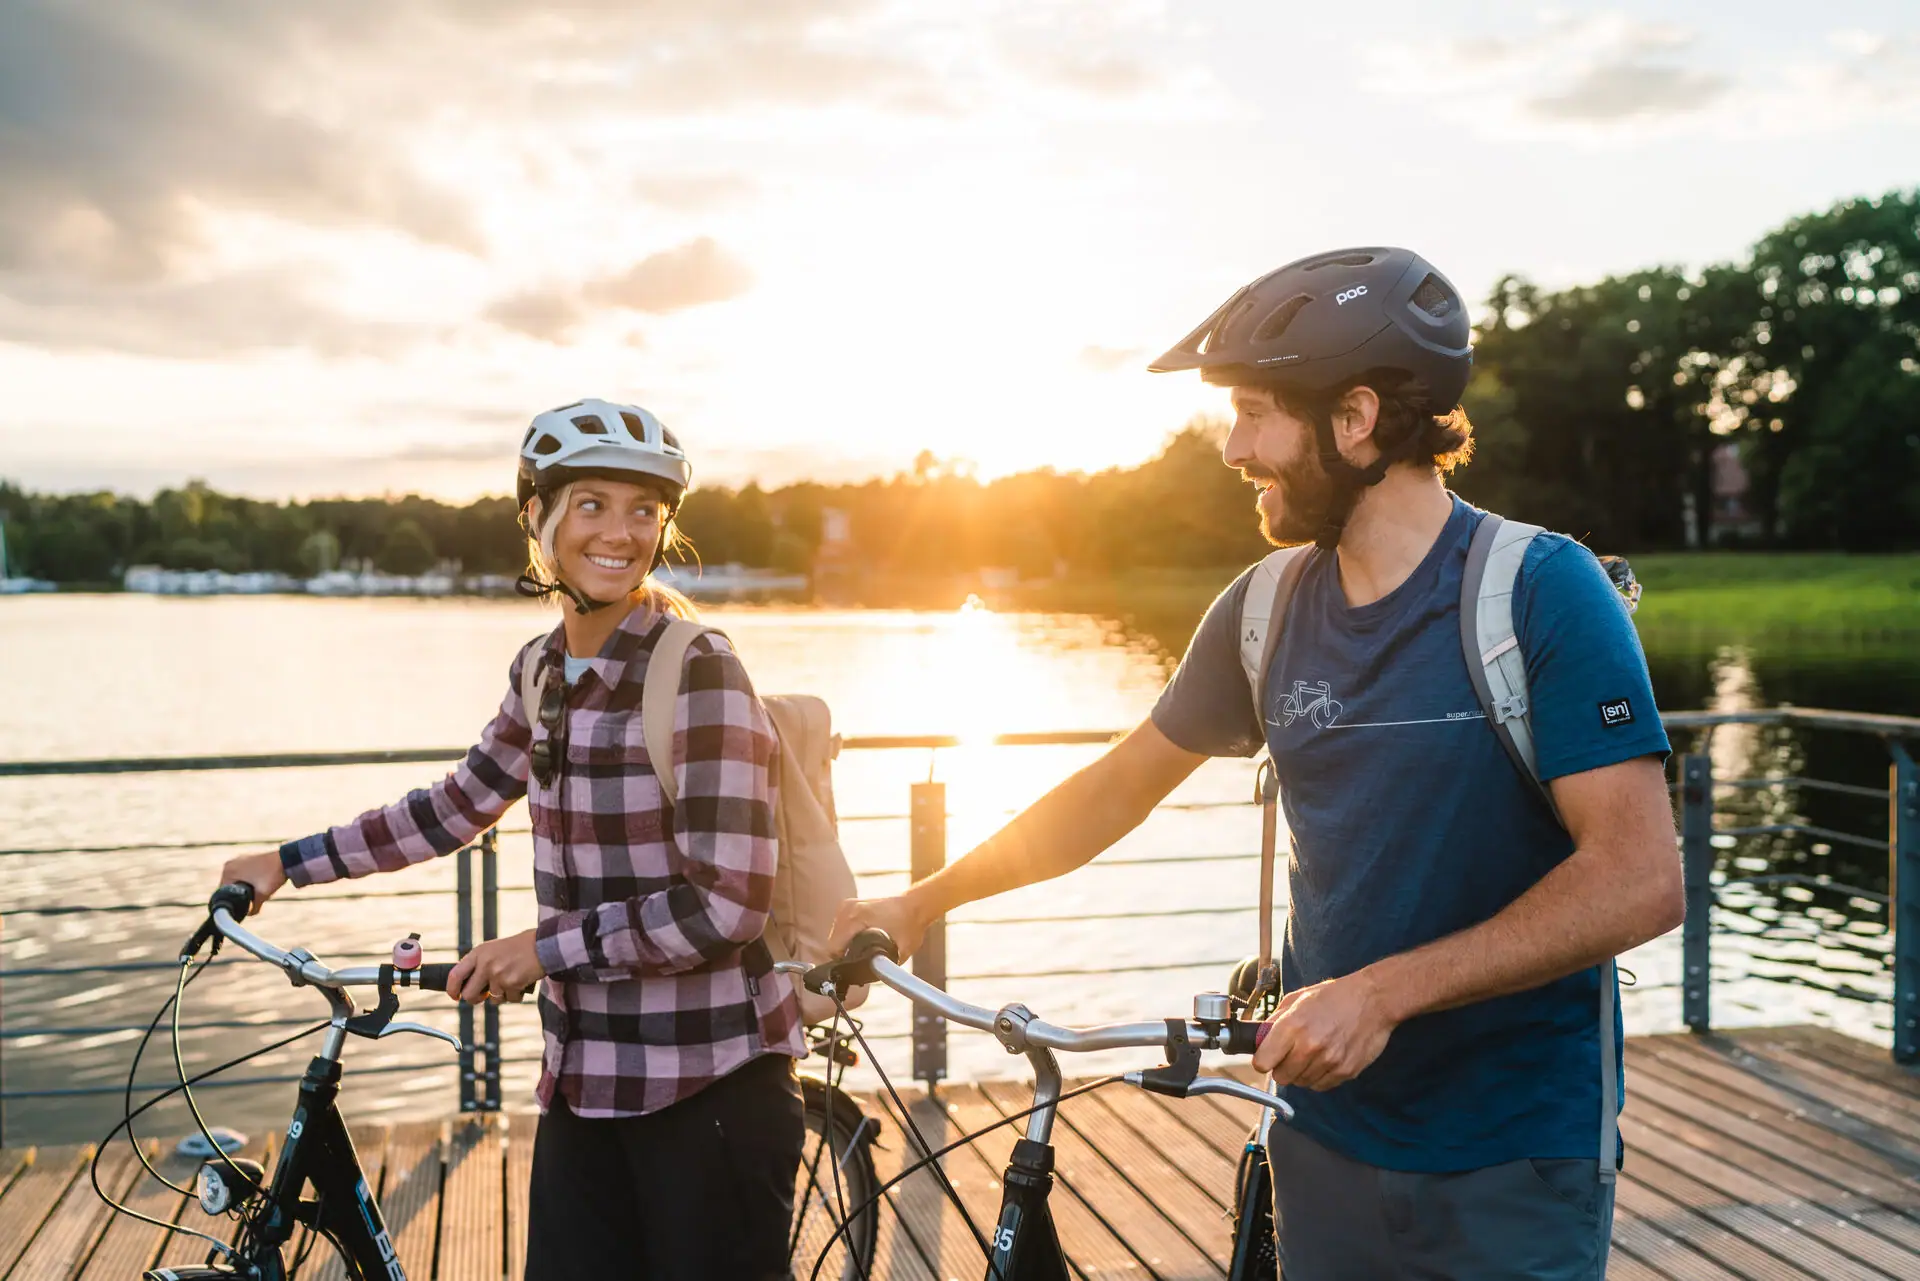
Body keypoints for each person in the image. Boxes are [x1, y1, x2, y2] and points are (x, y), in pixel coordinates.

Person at [830, 248, 1684, 1279]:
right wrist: (927, 898)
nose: (1233, 449)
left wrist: (1382, 993)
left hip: (1511, 1156)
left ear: (1356, 417)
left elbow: (1639, 878)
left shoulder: (1541, 592)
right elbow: (1115, 788)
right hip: (1317, 1130)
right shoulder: (1265, 608)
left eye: (1252, 413)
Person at [218, 398, 805, 1281]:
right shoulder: (541, 671)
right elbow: (453, 806)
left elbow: (728, 903)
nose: (621, 532)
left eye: (644, 509)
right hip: (586, 1085)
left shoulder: (698, 669)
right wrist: (285, 864)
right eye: (592, 504)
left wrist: (543, 948)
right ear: (538, 516)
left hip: (709, 1088)